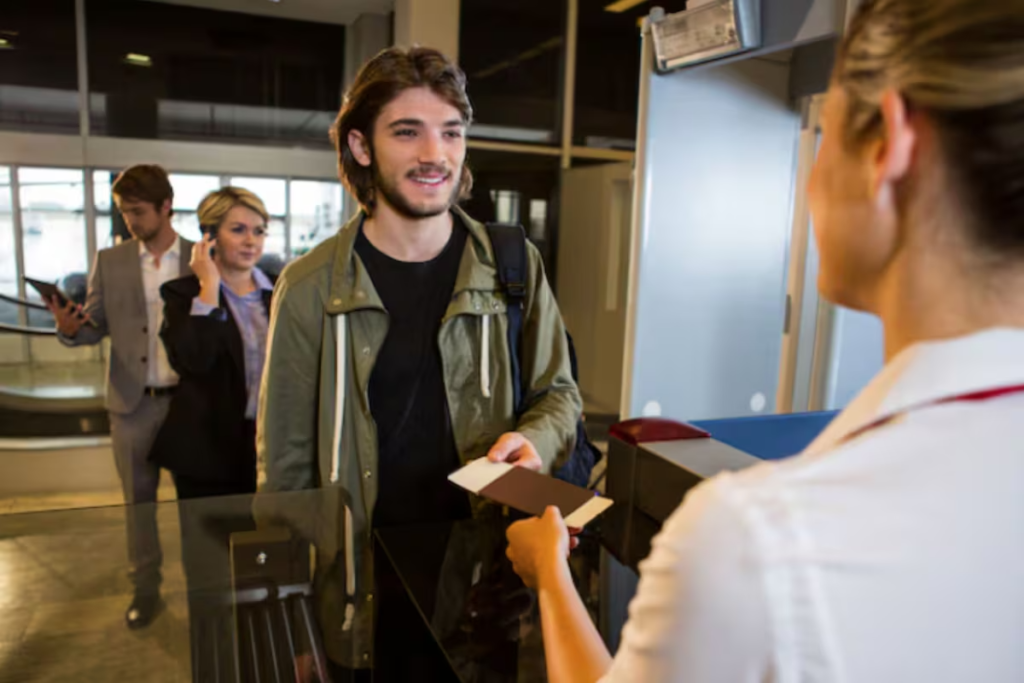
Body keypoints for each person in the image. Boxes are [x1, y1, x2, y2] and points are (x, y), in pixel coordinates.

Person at [505, 0, 1024, 681]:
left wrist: (549, 574)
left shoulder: (759, 541)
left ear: (889, 148)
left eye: (828, 134)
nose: (811, 182)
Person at [257, 46, 582, 678]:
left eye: (451, 132)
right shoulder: (310, 287)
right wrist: (292, 624)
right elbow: (286, 476)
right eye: (407, 132)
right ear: (360, 147)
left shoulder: (512, 266)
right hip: (359, 590)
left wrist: (535, 440)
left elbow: (559, 394)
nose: (435, 154)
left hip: (483, 585)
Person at [47, 164, 192, 629]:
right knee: (138, 505)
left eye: (137, 211)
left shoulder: (199, 257)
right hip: (132, 405)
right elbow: (95, 328)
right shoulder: (109, 261)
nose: (129, 220)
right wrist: (71, 329)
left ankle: (204, 589)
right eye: (124, 212)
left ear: (166, 207)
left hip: (189, 405)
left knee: (197, 505)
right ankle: (145, 589)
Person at [151, 187, 274, 681]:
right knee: (208, 576)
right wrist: (208, 286)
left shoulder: (279, 292)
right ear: (210, 237)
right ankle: (214, 668)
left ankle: (260, 661)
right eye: (238, 229)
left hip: (265, 454)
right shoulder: (183, 294)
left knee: (263, 568)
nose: (251, 240)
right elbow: (194, 361)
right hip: (206, 456)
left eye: (259, 230)